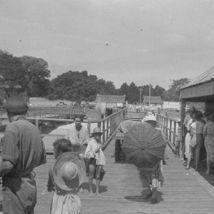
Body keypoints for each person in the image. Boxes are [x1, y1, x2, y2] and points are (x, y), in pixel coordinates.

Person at [0, 96, 46, 214]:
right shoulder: (34, 129)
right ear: (25, 112)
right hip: (30, 184)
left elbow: (8, 164)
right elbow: (41, 159)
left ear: (8, 112)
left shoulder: (12, 128)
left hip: (15, 188)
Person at [47, 139, 83, 214]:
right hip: (74, 200)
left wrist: (50, 187)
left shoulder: (53, 168)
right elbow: (79, 185)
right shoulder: (74, 167)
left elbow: (50, 187)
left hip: (59, 200)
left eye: (54, 150)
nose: (53, 152)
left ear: (59, 152)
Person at [141, 115, 165, 203]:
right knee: (145, 174)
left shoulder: (158, 132)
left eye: (151, 123)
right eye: (148, 123)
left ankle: (154, 194)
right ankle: (149, 191)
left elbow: (163, 144)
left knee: (154, 175)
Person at [85, 127, 106, 195]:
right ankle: (91, 191)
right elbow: (86, 153)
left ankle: (97, 190)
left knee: (98, 176)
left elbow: (101, 152)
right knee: (91, 176)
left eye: (99, 134)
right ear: (94, 135)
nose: (98, 135)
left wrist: (101, 148)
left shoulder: (100, 142)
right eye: (96, 134)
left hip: (99, 161)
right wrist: (94, 152)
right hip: (92, 161)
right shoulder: (90, 142)